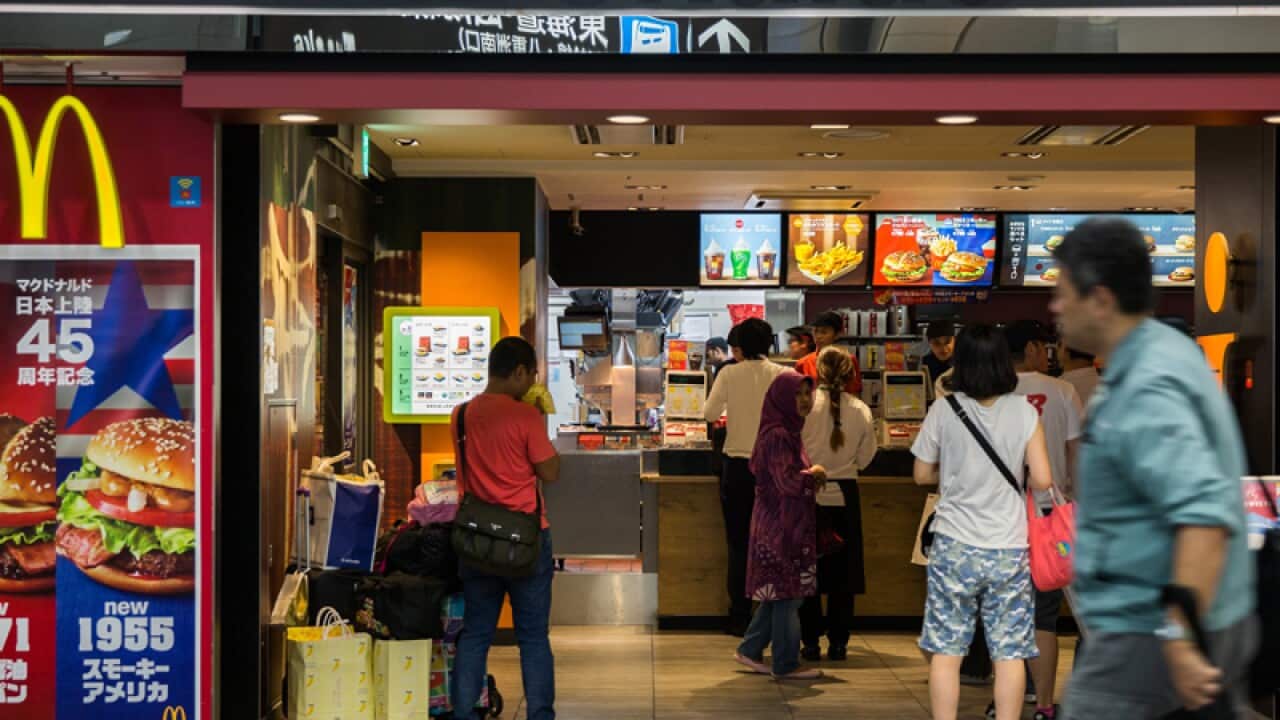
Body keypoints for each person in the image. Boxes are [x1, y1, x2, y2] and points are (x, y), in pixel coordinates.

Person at [1050, 218, 1257, 719]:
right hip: (1157, 630)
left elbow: (1204, 515)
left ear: (1100, 299)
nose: (1054, 306)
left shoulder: (1148, 383)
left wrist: (1179, 636)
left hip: (1144, 635)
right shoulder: (1165, 355)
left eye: (1062, 292)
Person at [911, 324, 1053, 720]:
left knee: (947, 649)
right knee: (1009, 652)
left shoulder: (944, 408)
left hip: (954, 544)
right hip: (1009, 545)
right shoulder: (1025, 412)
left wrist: (957, 471)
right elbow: (1042, 479)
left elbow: (921, 475)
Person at [451, 337, 560, 720]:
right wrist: (536, 418)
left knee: (476, 634)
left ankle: (463, 713)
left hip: (477, 540)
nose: (532, 382)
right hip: (525, 541)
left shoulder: (460, 414)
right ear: (518, 372)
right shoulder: (525, 417)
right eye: (530, 375)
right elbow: (551, 471)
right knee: (532, 638)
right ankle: (540, 716)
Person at [1002, 319, 1084, 720]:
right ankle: (1046, 706)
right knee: (1043, 616)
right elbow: (1075, 456)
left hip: (1000, 519)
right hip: (1048, 517)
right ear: (1034, 348)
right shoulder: (1063, 390)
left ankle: (1008, 701)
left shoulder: (992, 393)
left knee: (1003, 614)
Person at [734, 371, 825, 681]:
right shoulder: (779, 434)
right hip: (780, 527)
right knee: (787, 595)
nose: (804, 400)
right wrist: (815, 473)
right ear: (783, 398)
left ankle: (750, 648)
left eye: (807, 394)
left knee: (783, 593)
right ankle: (785, 663)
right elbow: (787, 481)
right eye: (797, 394)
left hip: (784, 524)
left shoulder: (787, 429)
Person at [704, 318, 787, 636]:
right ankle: (768, 616)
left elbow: (709, 414)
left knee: (739, 543)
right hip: (773, 469)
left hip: (738, 468)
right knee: (771, 543)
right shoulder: (783, 375)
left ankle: (739, 616)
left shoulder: (728, 373)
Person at [799, 346, 878, 662]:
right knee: (842, 576)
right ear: (850, 374)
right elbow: (866, 456)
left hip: (807, 492)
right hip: (845, 493)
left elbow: (795, 450)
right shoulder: (860, 409)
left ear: (816, 371)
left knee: (808, 572)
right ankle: (839, 642)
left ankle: (810, 642)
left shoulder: (805, 407)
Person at [795, 311, 863, 394]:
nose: (818, 336)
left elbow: (854, 393)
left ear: (837, 334)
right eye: (816, 331)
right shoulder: (803, 363)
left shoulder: (848, 360)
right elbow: (798, 394)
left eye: (824, 332)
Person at [1056, 341, 1101, 407]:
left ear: (1066, 352)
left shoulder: (1056, 387)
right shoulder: (1110, 387)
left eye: (1059, 346)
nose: (1056, 351)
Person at [922, 321, 957, 389]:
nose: (943, 348)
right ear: (929, 343)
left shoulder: (963, 364)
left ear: (954, 341)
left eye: (947, 342)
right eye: (937, 343)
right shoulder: (923, 364)